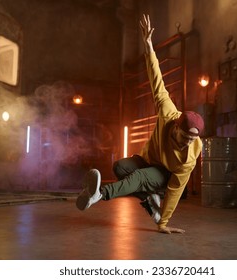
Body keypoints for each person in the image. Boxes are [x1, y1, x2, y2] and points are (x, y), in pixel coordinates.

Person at [76, 14, 204, 234]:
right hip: (147, 162)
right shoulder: (167, 112)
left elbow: (176, 188)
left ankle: (99, 195)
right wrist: (148, 46)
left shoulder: (190, 156)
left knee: (139, 177)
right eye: (186, 137)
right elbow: (157, 80)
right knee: (120, 167)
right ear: (176, 127)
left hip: (164, 178)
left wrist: (163, 221)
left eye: (193, 139)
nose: (188, 142)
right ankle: (147, 198)